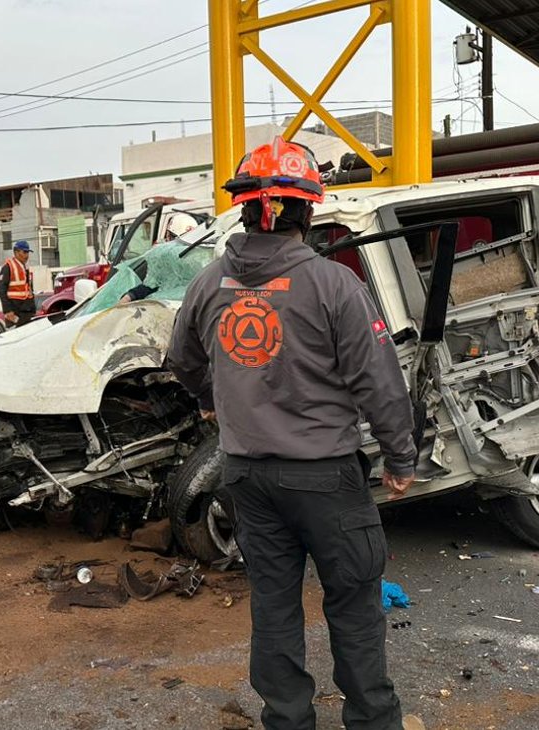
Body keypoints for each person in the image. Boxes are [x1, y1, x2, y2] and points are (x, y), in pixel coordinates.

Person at [166, 137, 419, 730]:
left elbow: (182, 360)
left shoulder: (207, 285)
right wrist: (401, 456)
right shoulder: (334, 285)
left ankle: (286, 720)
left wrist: (212, 402)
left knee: (275, 605)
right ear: (308, 209)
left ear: (245, 209)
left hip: (247, 476)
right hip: (324, 477)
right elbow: (378, 382)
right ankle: (373, 722)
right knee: (354, 605)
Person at [0, 241, 36, 327]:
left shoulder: (26, 268)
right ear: (16, 252)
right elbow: (1, 291)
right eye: (24, 252)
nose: (27, 255)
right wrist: (7, 310)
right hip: (15, 311)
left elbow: (29, 290)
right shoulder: (8, 267)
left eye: (28, 252)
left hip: (27, 310)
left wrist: (33, 309)